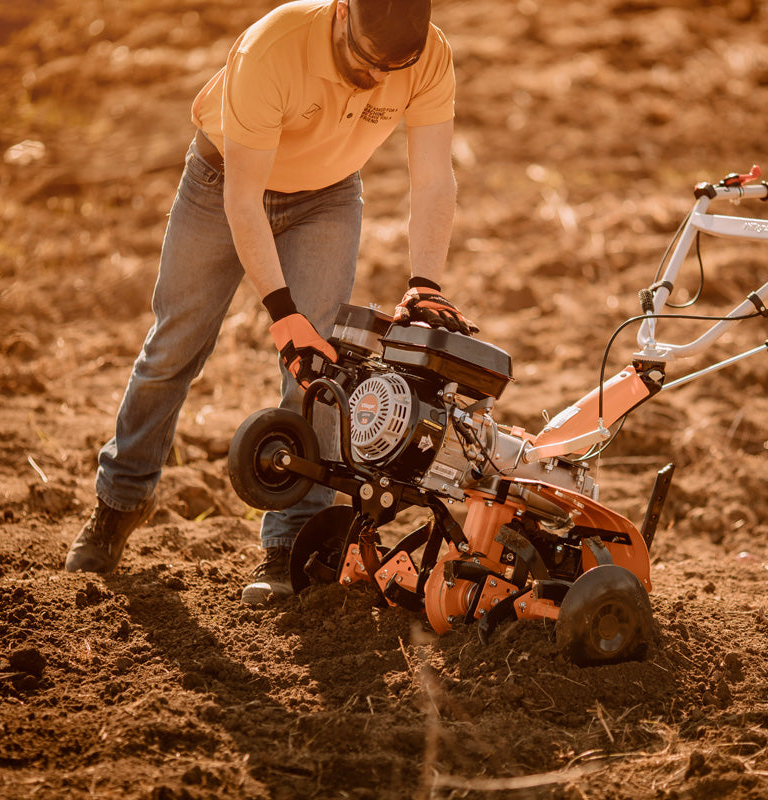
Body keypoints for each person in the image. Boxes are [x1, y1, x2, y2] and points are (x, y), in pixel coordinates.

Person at [63, 0, 476, 606]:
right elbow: (243, 202)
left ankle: (289, 543)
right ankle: (120, 501)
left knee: (316, 374)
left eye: (394, 70)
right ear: (342, 14)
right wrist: (282, 313)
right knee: (175, 347)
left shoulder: (429, 55)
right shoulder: (274, 48)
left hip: (328, 197)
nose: (376, 82)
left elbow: (434, 180)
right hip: (222, 183)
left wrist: (426, 283)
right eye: (365, 64)